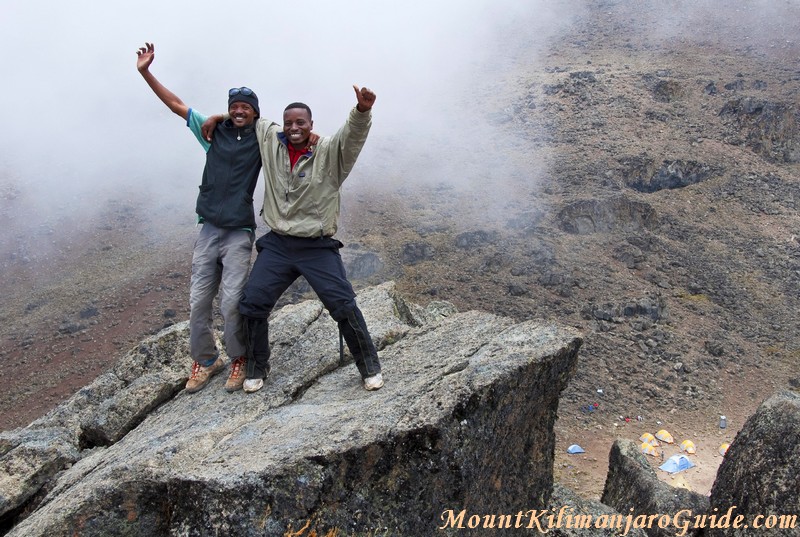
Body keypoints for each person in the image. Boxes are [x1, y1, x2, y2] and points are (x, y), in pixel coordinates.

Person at [202, 86, 383, 393]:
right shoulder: (271, 140)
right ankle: (257, 367)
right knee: (252, 303)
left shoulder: (328, 152)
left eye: (301, 123)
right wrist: (218, 116)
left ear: (310, 125)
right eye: (289, 123)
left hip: (316, 245)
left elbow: (351, 138)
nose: (294, 128)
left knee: (343, 305)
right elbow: (249, 117)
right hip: (279, 243)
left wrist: (361, 111)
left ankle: (369, 367)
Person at [135, 42, 262, 394]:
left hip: (238, 232)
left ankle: (239, 358)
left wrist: (221, 115)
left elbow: (290, 130)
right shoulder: (213, 135)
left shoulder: (262, 139)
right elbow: (177, 105)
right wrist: (146, 72)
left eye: (245, 108)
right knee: (198, 302)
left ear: (254, 112)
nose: (238, 111)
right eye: (233, 107)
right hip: (208, 230)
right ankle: (207, 360)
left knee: (232, 300)